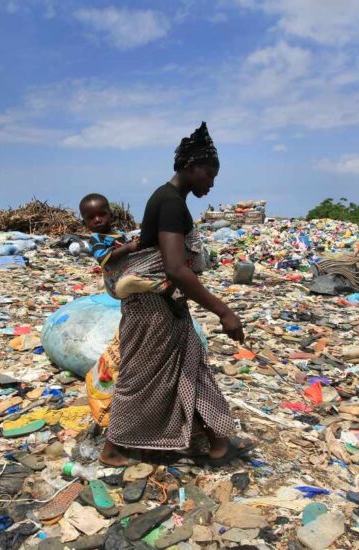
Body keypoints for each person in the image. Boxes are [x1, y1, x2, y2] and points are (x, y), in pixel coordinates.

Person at [99, 122, 254, 467]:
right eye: (208, 174)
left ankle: (218, 441)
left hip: (165, 303)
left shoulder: (170, 199)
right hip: (153, 306)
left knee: (190, 365)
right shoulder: (169, 203)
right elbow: (174, 267)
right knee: (143, 375)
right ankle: (114, 448)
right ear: (189, 167)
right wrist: (223, 310)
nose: (211, 183)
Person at [78, 193, 170, 298]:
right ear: (85, 223)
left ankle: (158, 282)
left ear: (111, 215)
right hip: (115, 284)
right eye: (91, 217)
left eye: (102, 214)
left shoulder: (122, 235)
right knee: (127, 283)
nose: (97, 220)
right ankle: (159, 286)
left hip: (131, 272)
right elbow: (102, 258)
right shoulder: (96, 239)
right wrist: (126, 248)